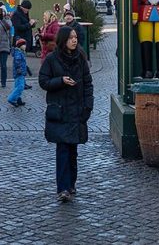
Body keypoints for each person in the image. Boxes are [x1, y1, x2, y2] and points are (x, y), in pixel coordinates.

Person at [38, 26, 93, 203]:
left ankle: (71, 184)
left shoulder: (81, 58)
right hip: (60, 111)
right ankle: (63, 188)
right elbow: (43, 81)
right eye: (70, 38)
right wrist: (60, 81)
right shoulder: (52, 59)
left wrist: (88, 107)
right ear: (63, 40)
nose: (74, 40)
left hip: (77, 110)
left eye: (75, 37)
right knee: (62, 149)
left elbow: (88, 84)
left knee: (72, 150)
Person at [8, 38, 29, 108]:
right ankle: (11, 99)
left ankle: (18, 99)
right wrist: (20, 70)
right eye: (23, 45)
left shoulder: (20, 52)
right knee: (20, 87)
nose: (25, 46)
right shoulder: (18, 53)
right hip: (19, 73)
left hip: (20, 72)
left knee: (18, 86)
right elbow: (18, 63)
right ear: (20, 46)